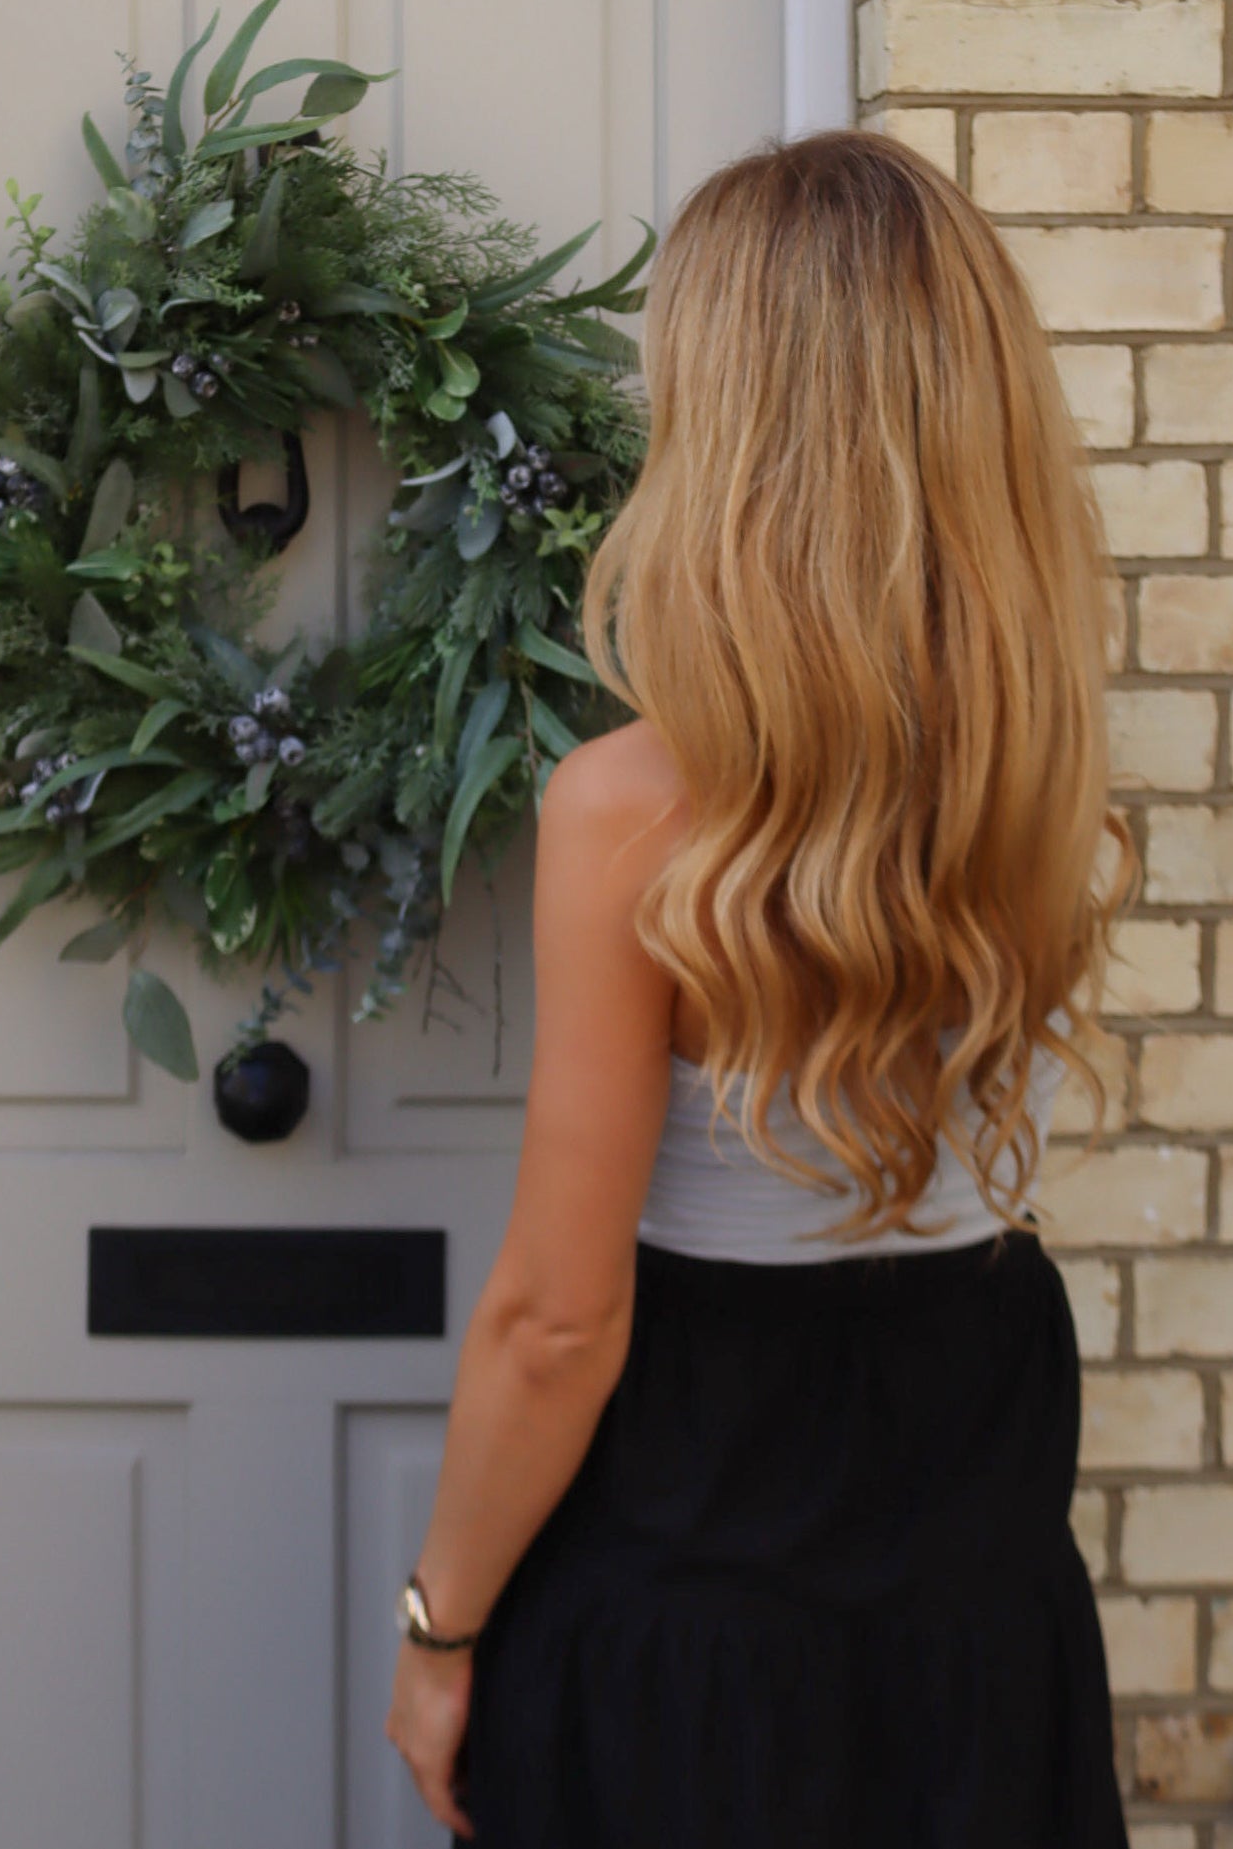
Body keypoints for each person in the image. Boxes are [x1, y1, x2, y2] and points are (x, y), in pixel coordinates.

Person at [385, 131, 1136, 1848]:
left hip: (698, 1594)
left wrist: (440, 1627)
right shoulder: (1037, 768)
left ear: (736, 431)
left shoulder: (634, 809)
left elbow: (558, 1323)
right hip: (977, 1580)